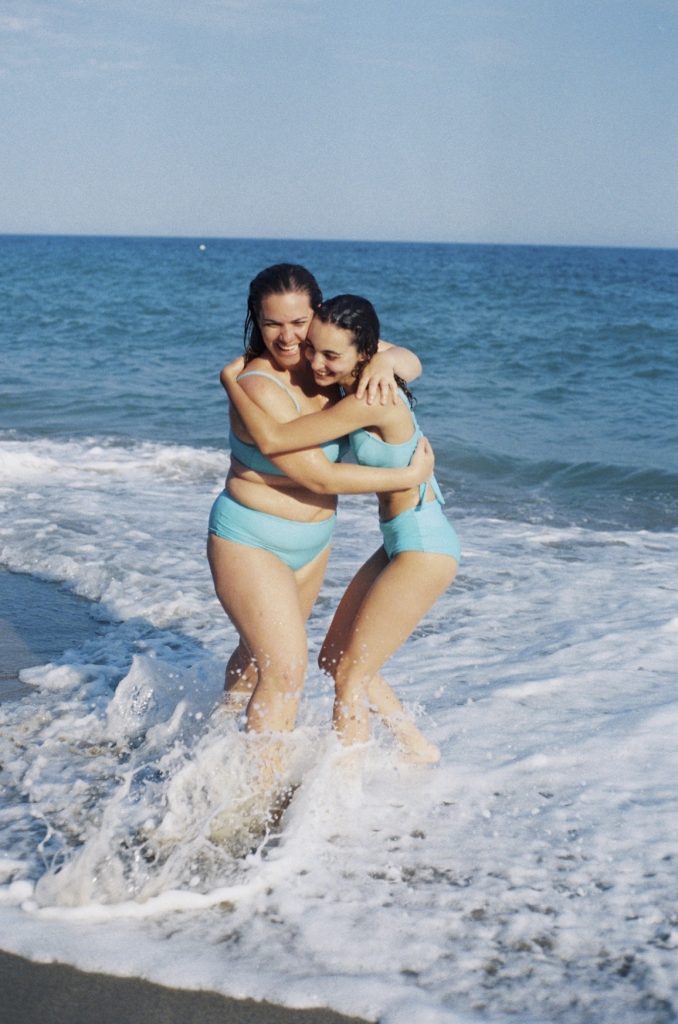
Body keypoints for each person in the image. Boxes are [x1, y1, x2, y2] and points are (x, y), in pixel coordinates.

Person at [207, 266, 432, 769]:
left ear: (318, 315)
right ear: (256, 321)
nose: (287, 337)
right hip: (251, 538)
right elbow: (318, 476)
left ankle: (214, 741)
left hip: (311, 545)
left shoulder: (327, 360)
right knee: (285, 670)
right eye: (272, 324)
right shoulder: (257, 383)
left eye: (298, 322)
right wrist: (408, 476)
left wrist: (385, 360)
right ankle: (257, 795)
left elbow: (411, 360)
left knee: (256, 659)